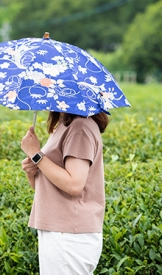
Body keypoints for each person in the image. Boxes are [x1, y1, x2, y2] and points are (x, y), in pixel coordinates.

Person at [20, 111, 109, 275]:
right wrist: (31, 170)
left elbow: (74, 184)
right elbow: (46, 188)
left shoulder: (80, 127)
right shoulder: (63, 124)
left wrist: (36, 155)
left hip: (69, 233)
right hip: (58, 228)